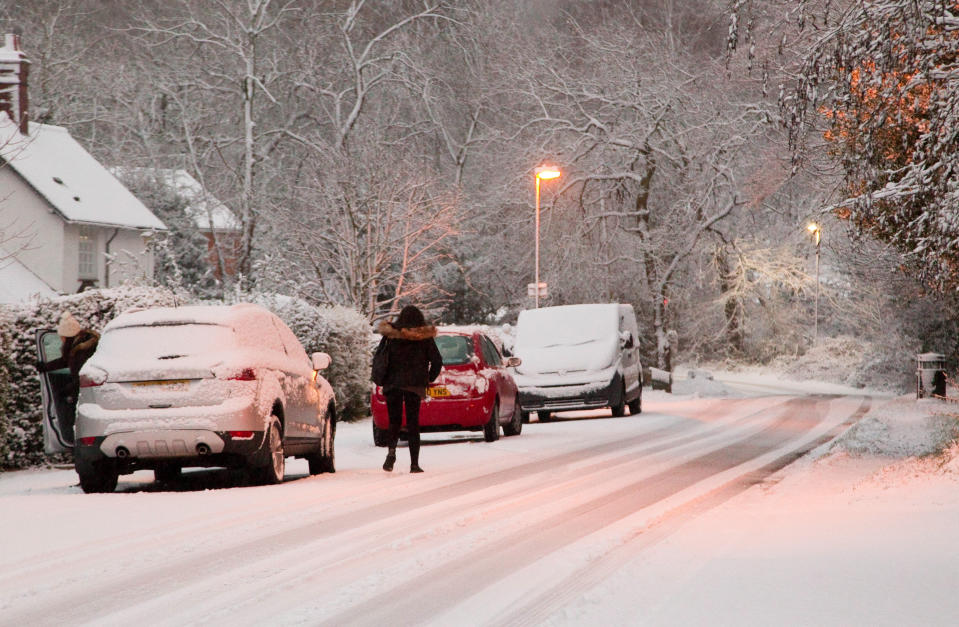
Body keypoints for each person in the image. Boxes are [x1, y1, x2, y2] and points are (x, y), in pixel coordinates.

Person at [376, 305, 442, 473]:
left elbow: (379, 357)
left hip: (393, 384)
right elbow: (437, 361)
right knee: (413, 423)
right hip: (415, 385)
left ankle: (391, 453)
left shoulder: (390, 336)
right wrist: (428, 378)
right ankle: (414, 464)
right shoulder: (424, 337)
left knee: (394, 422)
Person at [36, 311, 100, 405]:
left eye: (62, 337)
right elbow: (66, 361)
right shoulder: (77, 347)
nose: (61, 339)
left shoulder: (82, 351)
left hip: (87, 397)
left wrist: (66, 391)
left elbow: (80, 379)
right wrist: (46, 367)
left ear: (67, 336)